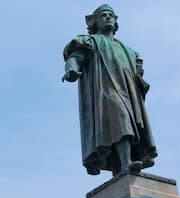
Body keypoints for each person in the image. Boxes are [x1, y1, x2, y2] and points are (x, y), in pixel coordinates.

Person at [63, 5, 158, 176]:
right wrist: (71, 69)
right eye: (102, 16)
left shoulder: (128, 50)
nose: (107, 18)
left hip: (128, 93)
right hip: (105, 91)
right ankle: (127, 163)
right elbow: (75, 57)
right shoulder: (91, 41)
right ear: (96, 22)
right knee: (120, 118)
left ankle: (122, 168)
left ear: (115, 21)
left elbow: (137, 72)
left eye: (110, 15)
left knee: (128, 122)